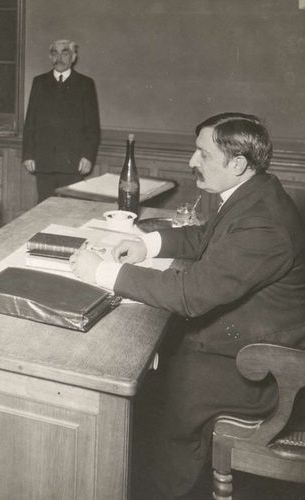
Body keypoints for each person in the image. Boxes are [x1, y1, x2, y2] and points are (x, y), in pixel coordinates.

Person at [70, 112, 305, 498]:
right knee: (145, 372)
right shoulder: (254, 193)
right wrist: (149, 244)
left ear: (238, 164)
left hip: (256, 370)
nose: (192, 162)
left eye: (202, 154)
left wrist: (104, 273)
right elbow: (207, 239)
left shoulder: (264, 224)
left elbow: (189, 295)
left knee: (151, 402)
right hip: (236, 346)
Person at [22, 39, 100, 203]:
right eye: (54, 53)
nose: (59, 58)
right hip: (44, 161)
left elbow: (92, 126)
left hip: (73, 163)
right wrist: (28, 154)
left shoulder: (85, 84)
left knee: (71, 208)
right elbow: (30, 121)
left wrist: (88, 156)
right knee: (44, 208)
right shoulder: (40, 82)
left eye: (65, 53)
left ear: (73, 57)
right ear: (50, 57)